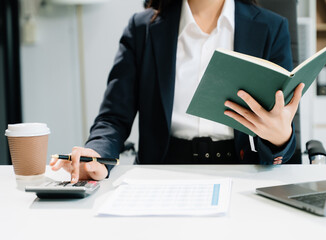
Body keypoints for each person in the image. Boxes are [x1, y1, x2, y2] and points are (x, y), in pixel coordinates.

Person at [50, 0, 304, 183]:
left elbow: (280, 127)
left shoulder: (271, 28)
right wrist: (96, 154)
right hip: (162, 173)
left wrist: (281, 137)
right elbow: (113, 118)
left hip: (242, 173)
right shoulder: (142, 29)